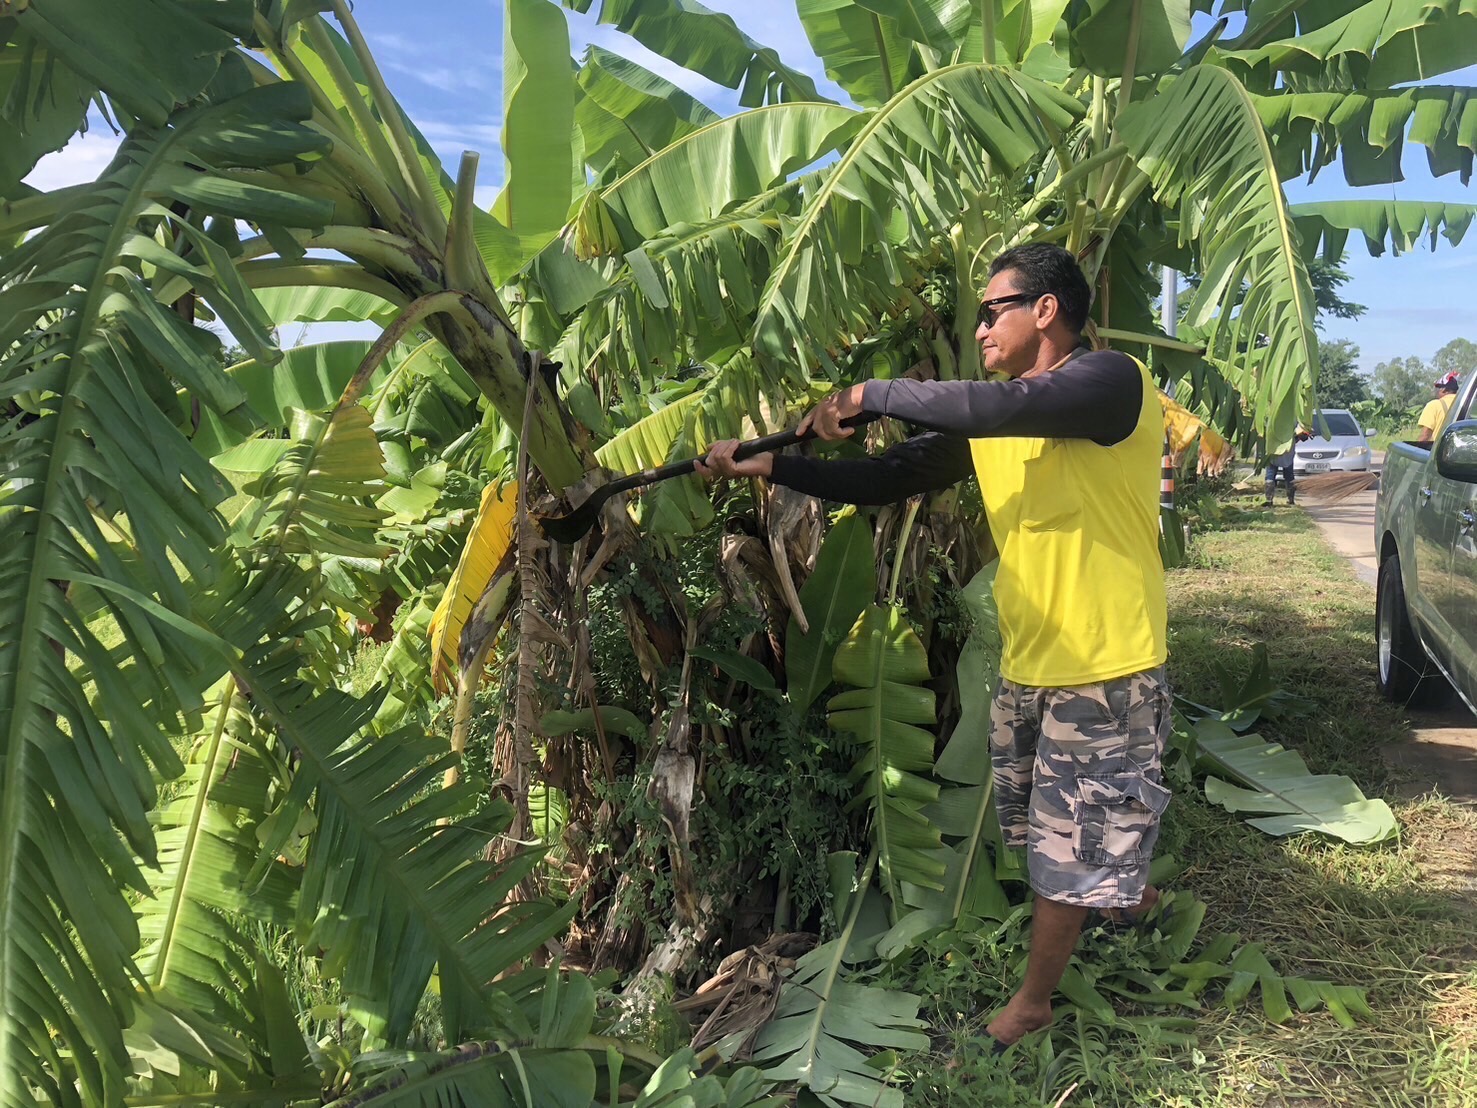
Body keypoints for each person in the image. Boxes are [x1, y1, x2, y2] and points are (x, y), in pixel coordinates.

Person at [698, 243, 1172, 1050]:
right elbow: (887, 479)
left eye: (993, 311)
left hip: (1106, 662)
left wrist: (869, 393)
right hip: (1030, 659)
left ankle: (1032, 1004)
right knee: (1052, 827)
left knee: (1066, 845)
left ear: (1045, 309)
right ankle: (1122, 891)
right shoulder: (997, 421)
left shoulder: (1110, 383)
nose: (979, 327)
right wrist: (774, 464)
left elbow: (993, 408)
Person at [1263, 424, 1311, 508]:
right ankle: (1282, 500)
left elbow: (1303, 436)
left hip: (1281, 450)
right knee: (1280, 476)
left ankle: (1272, 500)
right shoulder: (1293, 419)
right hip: (1279, 451)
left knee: (1274, 476)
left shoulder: (1292, 420)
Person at [1417, 372, 1460, 444]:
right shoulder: (1465, 403)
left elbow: (1425, 435)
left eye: (1438, 387)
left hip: (1441, 451)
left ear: (1443, 389)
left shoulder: (1434, 405)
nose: (1436, 391)